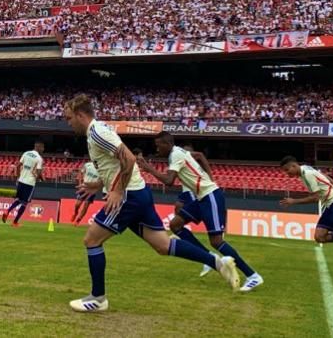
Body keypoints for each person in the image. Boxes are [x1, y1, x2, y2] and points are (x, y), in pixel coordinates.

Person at [62, 95, 238, 313]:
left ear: (80, 115)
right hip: (139, 193)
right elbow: (116, 165)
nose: (68, 123)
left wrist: (117, 191)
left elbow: (129, 158)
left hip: (129, 197)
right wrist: (98, 184)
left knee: (91, 240)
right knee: (163, 246)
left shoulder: (97, 132)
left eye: (69, 118)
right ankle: (218, 263)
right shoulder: (96, 132)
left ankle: (98, 298)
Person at [139, 132, 262, 291]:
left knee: (216, 241)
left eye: (158, 145)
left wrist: (149, 169)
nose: (157, 149)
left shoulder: (176, 154)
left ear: (167, 143)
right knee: (175, 225)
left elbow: (169, 181)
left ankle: (252, 275)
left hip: (210, 196)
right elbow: (199, 156)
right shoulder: (177, 153)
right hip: (201, 198)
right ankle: (209, 258)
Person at [2, 141, 44, 227]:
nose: (43, 149)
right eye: (43, 148)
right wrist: (42, 178)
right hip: (29, 183)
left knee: (19, 199)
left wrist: (18, 177)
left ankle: (8, 210)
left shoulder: (26, 153)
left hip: (21, 180)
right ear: (39, 147)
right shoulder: (39, 158)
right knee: (24, 203)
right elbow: (39, 173)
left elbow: (18, 166)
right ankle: (15, 222)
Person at [72, 160, 101, 225]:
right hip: (84, 187)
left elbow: (101, 181)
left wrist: (96, 188)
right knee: (77, 204)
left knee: (86, 205)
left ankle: (78, 220)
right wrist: (80, 183)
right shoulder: (88, 165)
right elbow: (81, 172)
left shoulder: (101, 169)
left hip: (92, 189)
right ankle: (75, 213)